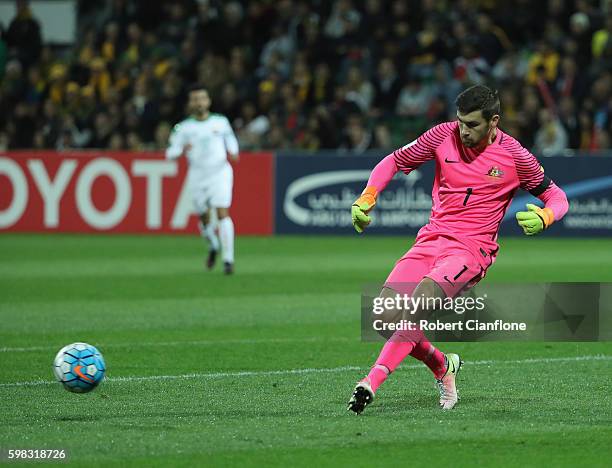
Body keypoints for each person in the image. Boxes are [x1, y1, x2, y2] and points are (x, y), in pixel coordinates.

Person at [347, 85, 569, 413]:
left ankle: (371, 381)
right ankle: (442, 366)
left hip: (470, 251)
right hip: (431, 240)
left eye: (473, 124)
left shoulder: (514, 155)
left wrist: (547, 216)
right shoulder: (442, 135)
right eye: (461, 121)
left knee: (417, 306)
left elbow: (557, 196)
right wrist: (367, 196)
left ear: (494, 121)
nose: (463, 130)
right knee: (383, 316)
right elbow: (392, 162)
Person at [166, 85, 239, 274]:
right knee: (204, 217)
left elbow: (230, 139)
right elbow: (170, 152)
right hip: (198, 175)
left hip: (220, 172)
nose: (199, 102)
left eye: (202, 98)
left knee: (223, 212)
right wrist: (181, 150)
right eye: (195, 99)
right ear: (190, 103)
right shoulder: (183, 128)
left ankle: (228, 260)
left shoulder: (220, 122)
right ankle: (213, 245)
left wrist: (233, 151)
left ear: (208, 101)